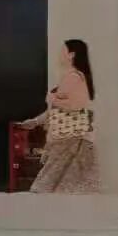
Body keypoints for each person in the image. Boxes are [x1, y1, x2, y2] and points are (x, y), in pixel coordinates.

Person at [17, 39, 99, 193]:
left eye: (63, 50)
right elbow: (58, 110)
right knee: (65, 188)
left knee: (46, 186)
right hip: (70, 139)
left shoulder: (73, 77)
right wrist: (36, 121)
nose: (59, 54)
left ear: (71, 55)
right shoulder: (74, 77)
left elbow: (75, 105)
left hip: (69, 140)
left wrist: (51, 98)